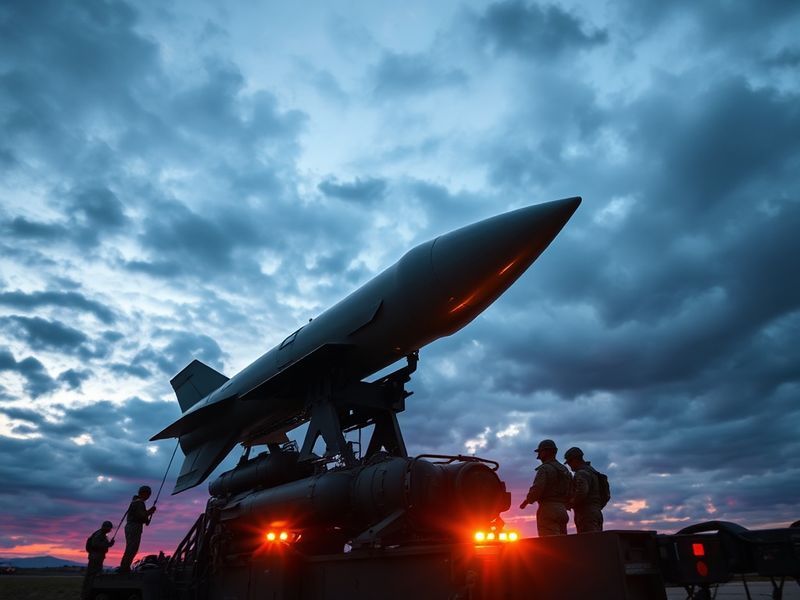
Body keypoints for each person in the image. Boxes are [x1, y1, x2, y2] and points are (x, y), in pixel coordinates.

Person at [519, 439, 572, 536]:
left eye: (540, 452)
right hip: (562, 510)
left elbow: (537, 488)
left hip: (548, 510)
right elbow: (571, 489)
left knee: (550, 545)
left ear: (545, 452)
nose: (538, 456)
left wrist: (528, 500)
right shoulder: (564, 469)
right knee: (564, 545)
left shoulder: (545, 468)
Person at [564, 446, 606, 533]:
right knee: (597, 541)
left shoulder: (581, 473)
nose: (569, 466)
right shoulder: (592, 472)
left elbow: (582, 491)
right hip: (596, 511)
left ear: (575, 460)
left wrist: (571, 502)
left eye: (569, 462)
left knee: (588, 542)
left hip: (586, 513)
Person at [118, 485, 157, 572]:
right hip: (134, 527)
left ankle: (125, 567)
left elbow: (142, 517)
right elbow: (141, 515)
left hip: (133, 526)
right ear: (144, 493)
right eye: (148, 494)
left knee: (132, 548)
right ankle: (124, 568)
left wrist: (147, 518)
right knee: (132, 548)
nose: (148, 496)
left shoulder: (136, 502)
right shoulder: (139, 502)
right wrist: (151, 511)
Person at [82, 520, 114, 600]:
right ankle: (86, 595)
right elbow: (95, 544)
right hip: (95, 557)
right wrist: (108, 544)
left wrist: (109, 544)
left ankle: (89, 594)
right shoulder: (99, 534)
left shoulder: (102, 534)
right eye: (109, 528)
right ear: (105, 527)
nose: (110, 530)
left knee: (94, 576)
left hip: (97, 557)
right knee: (91, 577)